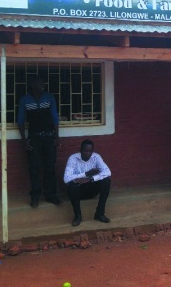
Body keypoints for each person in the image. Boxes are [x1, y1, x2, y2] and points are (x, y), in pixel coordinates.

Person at [17, 76, 61, 208]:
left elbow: (55, 118)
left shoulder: (49, 98)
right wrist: (24, 141)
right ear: (32, 85)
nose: (42, 85)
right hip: (34, 138)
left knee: (50, 166)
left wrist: (57, 136)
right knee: (34, 168)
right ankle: (35, 196)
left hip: (49, 137)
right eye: (39, 83)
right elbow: (20, 121)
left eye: (43, 83)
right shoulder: (25, 100)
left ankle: (51, 195)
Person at [63, 139, 112, 226]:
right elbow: (66, 178)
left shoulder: (96, 157)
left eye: (90, 151)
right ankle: (77, 216)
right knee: (71, 185)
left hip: (92, 190)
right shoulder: (73, 158)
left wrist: (90, 179)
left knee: (106, 180)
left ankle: (99, 214)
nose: (87, 153)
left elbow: (107, 172)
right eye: (85, 150)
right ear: (80, 150)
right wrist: (86, 174)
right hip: (78, 192)